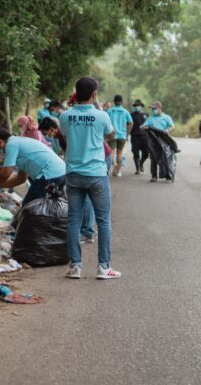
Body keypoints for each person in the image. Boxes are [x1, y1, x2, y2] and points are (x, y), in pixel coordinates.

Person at [59, 77, 121, 280]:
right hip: (96, 174)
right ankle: (103, 267)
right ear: (94, 94)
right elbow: (111, 135)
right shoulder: (101, 115)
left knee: (74, 221)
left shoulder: (65, 116)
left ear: (76, 93)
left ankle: (75, 266)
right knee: (103, 222)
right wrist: (99, 109)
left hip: (73, 174)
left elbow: (67, 137)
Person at [0, 129, 66, 206]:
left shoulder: (11, 144)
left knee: (28, 207)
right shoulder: (19, 143)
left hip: (49, 173)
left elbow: (6, 173)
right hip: (61, 172)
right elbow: (20, 179)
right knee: (49, 207)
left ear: (0, 141)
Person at [143, 101, 175, 182]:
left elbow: (172, 126)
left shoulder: (166, 117)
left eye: (154, 108)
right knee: (153, 157)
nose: (153, 110)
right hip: (153, 142)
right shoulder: (150, 118)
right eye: (152, 109)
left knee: (166, 158)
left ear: (159, 108)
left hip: (164, 141)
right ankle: (154, 176)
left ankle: (168, 175)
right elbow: (144, 125)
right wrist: (144, 127)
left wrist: (168, 130)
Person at [107, 95, 133, 177]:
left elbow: (106, 122)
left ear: (114, 101)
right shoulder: (125, 112)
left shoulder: (110, 111)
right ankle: (117, 170)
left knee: (112, 152)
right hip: (122, 135)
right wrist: (127, 133)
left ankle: (112, 168)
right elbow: (131, 123)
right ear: (121, 102)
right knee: (120, 152)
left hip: (112, 134)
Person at [129, 99, 149, 175]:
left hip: (145, 136)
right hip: (135, 136)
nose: (137, 107)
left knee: (146, 152)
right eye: (135, 106)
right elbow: (128, 124)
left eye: (138, 105)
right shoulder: (131, 115)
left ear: (141, 106)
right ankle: (137, 169)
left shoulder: (146, 115)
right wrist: (128, 133)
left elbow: (149, 125)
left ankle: (141, 162)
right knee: (136, 153)